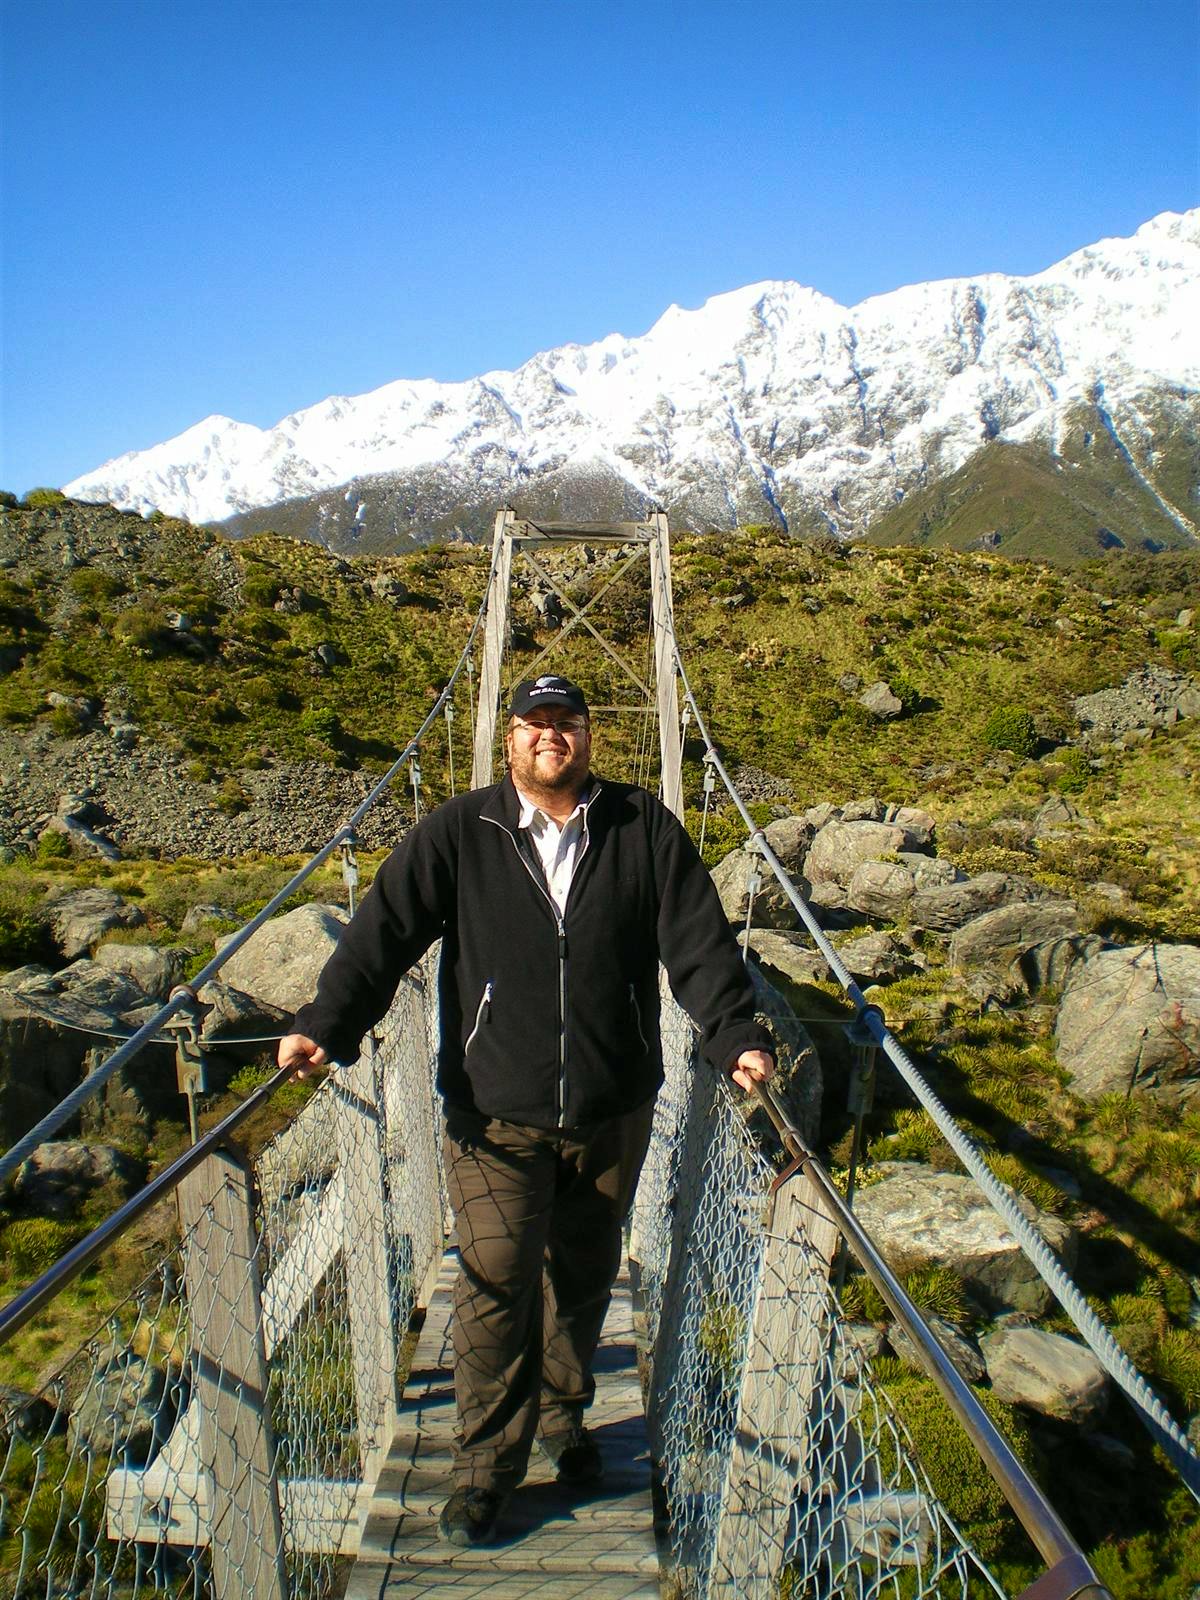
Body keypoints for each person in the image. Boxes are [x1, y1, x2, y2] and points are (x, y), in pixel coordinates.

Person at [278, 674, 775, 1546]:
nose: (552, 737)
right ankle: (483, 1473)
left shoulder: (641, 826)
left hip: (611, 1103)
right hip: (492, 1110)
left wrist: (734, 1033)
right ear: (508, 740)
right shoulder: (459, 832)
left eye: (567, 723)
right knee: (496, 1279)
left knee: (581, 1280)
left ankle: (563, 1415)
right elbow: (383, 932)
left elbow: (696, 941)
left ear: (589, 736)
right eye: (533, 724)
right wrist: (327, 1024)